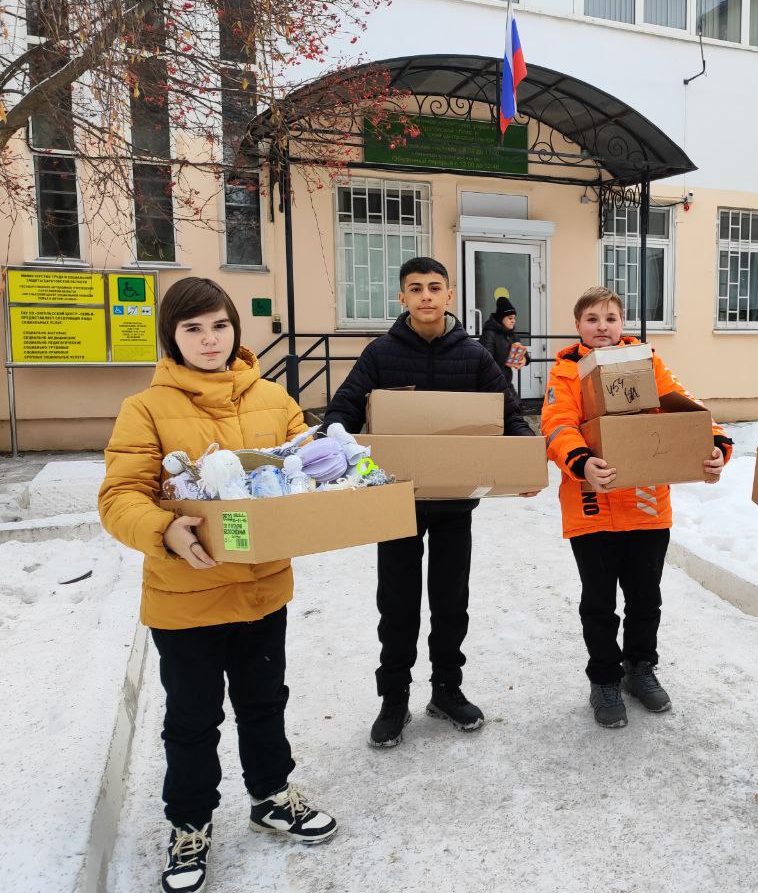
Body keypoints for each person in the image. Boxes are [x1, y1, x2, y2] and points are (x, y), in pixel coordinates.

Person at [99, 277, 336, 893]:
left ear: (236, 328)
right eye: (193, 329)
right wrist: (163, 529)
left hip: (262, 588)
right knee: (192, 720)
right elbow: (120, 497)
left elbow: (303, 469)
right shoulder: (145, 409)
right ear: (172, 338)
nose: (210, 340)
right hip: (187, 596)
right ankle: (189, 823)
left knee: (264, 702)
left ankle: (271, 796)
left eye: (220, 326)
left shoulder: (274, 397)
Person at [323, 256, 536, 749]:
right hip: (394, 501)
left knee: (450, 601)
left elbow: (508, 411)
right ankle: (393, 698)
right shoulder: (380, 353)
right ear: (401, 298)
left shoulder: (475, 355)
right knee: (396, 604)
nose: (425, 296)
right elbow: (343, 409)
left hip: (455, 504)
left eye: (434, 287)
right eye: (415, 288)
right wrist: (333, 445)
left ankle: (447, 690)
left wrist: (526, 464)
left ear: (449, 295)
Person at [542, 287, 732, 728]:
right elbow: (557, 426)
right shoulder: (565, 374)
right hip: (592, 506)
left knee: (646, 599)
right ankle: (605, 679)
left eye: (610, 318)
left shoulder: (646, 363)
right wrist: (581, 462)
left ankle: (640, 670)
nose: (602, 327)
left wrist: (717, 444)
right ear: (578, 327)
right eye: (592, 319)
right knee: (599, 602)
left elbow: (687, 407)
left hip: (647, 504)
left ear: (622, 324)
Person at [478, 295, 524, 390]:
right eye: (510, 318)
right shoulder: (489, 334)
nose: (513, 321)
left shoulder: (510, 333)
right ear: (501, 318)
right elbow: (487, 361)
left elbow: (523, 353)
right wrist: (508, 357)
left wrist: (524, 359)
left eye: (514, 318)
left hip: (506, 382)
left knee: (516, 404)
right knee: (512, 404)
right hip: (492, 384)